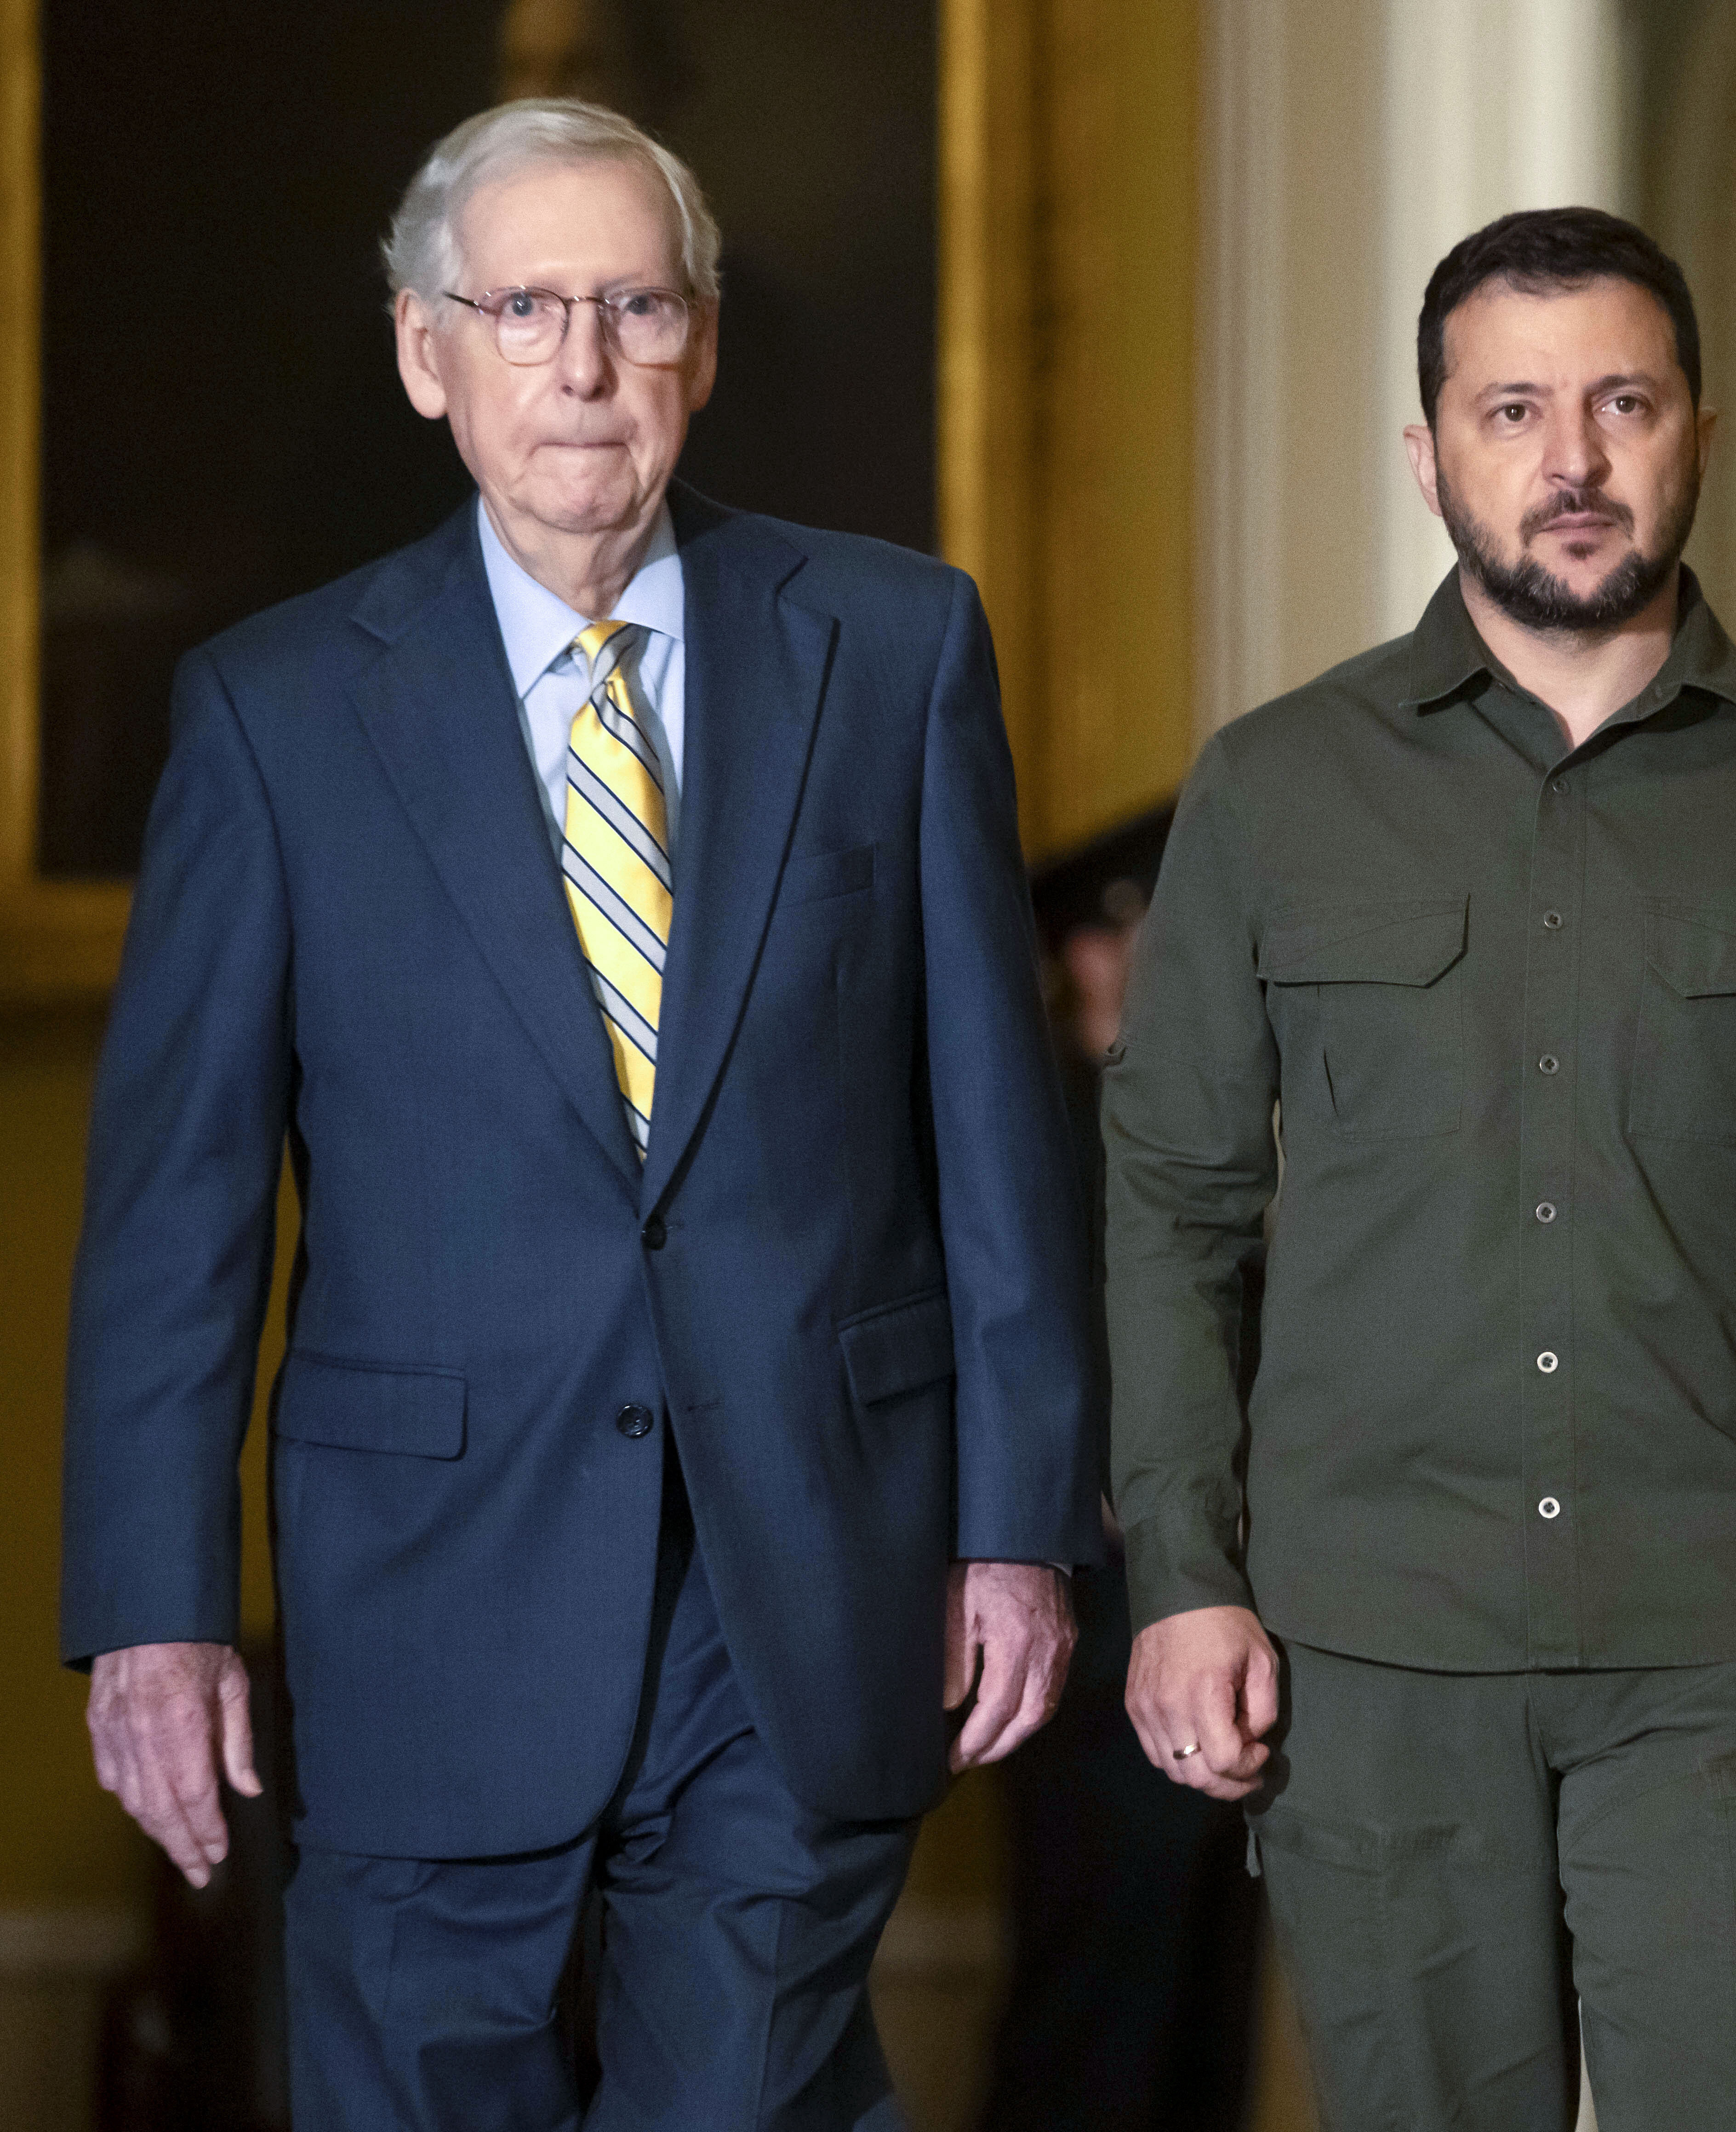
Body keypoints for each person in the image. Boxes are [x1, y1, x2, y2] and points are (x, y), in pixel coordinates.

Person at [60, 98, 1099, 2130]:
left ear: (701, 339)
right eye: (522, 305)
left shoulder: (891, 650)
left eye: (632, 302)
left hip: (796, 1580)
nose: (582, 361)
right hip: (424, 1595)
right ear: (419, 349)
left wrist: (1019, 1518)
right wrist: (153, 1610)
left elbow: (995, 1122)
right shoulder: (272, 715)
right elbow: (174, 1213)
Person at [1103, 206, 1736, 2131]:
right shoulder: (1272, 789)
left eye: (1620, 401)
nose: (1571, 461)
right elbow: (1173, 1203)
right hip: (1374, 1645)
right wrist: (1185, 1571)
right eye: (1510, 408)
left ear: (1697, 427)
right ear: (1427, 448)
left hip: (1735, 1643)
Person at [982, 803, 1264, 2132]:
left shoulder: (1216, 1124)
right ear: (1094, 949)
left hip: (1221, 1586)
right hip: (1091, 1611)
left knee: (1206, 1966)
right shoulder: (1031, 1116)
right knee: (1103, 1967)